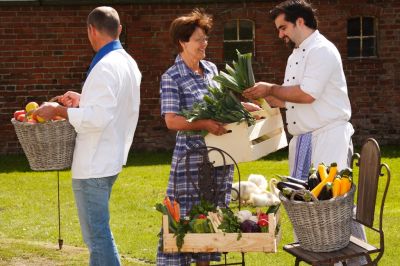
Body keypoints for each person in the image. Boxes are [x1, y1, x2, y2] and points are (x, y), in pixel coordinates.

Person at [33, 6, 141, 266]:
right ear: (120, 30)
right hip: (111, 157)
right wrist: (84, 99)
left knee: (97, 237)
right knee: (98, 235)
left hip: (94, 163)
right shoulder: (127, 62)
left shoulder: (105, 66)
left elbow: (99, 118)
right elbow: (113, 106)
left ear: (91, 30)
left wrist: (58, 110)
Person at [243, 0, 354, 180]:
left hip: (327, 139)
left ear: (300, 22)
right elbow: (291, 101)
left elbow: (307, 94)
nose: (280, 34)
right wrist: (261, 100)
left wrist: (270, 88)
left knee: (326, 202)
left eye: (283, 27)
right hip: (304, 140)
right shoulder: (296, 54)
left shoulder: (321, 50)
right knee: (302, 204)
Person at [156, 9, 234, 266]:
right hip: (190, 161)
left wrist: (245, 109)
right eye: (199, 39)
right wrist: (204, 124)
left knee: (210, 219)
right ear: (183, 42)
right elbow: (171, 120)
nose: (204, 44)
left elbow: (224, 103)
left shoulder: (211, 69)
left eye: (205, 39)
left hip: (218, 158)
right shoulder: (172, 77)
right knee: (186, 221)